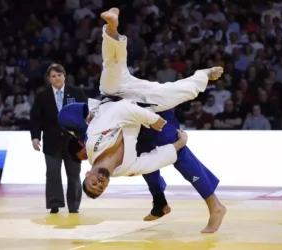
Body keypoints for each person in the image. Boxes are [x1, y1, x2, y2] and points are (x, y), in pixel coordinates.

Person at [58, 8, 226, 233]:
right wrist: (177, 144)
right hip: (145, 107)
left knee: (112, 67)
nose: (99, 184)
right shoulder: (123, 167)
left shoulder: (91, 141)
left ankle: (112, 27)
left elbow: (121, 109)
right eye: (100, 189)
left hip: (118, 95)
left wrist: (89, 118)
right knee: (180, 95)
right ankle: (203, 75)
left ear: (86, 174)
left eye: (92, 184)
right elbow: (151, 163)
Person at [29, 63, 87, 214]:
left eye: (59, 75)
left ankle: (74, 206)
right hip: (51, 141)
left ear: (64, 76)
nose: (57, 78)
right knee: (53, 172)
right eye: (53, 76)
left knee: (74, 174)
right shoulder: (42, 96)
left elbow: (87, 116)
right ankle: (54, 204)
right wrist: (35, 138)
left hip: (73, 142)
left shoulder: (77, 93)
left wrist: (85, 139)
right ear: (49, 79)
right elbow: (35, 118)